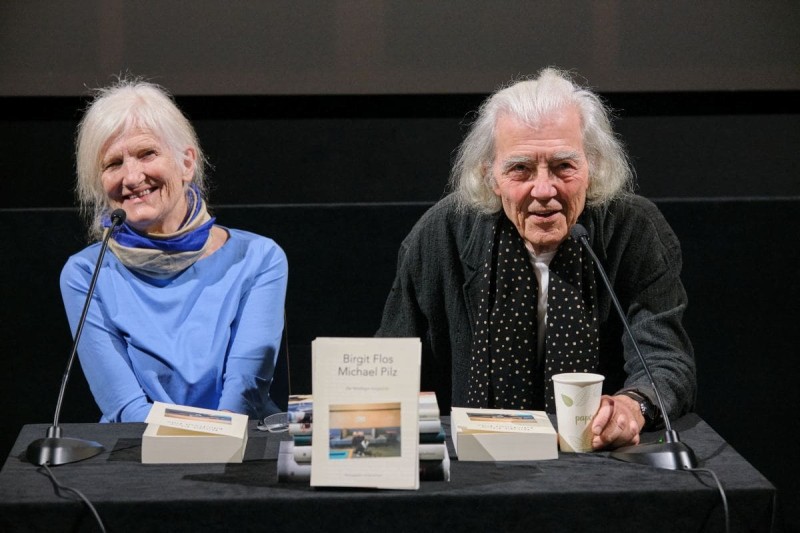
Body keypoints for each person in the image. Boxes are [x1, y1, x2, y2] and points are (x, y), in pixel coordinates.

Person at [377, 67, 696, 450]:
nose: (544, 189)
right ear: (490, 175)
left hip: (600, 463)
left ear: (592, 166)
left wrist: (634, 404)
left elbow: (666, 361)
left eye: (564, 166)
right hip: (474, 467)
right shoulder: (439, 235)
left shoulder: (634, 229)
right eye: (520, 169)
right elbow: (390, 368)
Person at [60, 78, 288, 423]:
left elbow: (244, 393)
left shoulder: (259, 258)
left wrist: (209, 451)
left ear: (186, 163)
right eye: (113, 163)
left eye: (146, 153)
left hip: (239, 450)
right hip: (140, 452)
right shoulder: (85, 274)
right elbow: (125, 407)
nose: (132, 176)